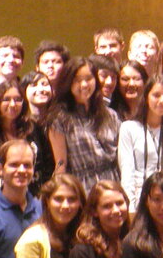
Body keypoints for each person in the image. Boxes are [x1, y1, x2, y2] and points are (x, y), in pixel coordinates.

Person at [49, 56, 121, 190]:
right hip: (83, 187)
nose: (84, 85)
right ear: (68, 83)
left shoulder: (111, 115)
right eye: (77, 80)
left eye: (88, 79)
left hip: (114, 183)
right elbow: (61, 163)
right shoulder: (59, 119)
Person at [118, 75, 163, 209]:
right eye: (156, 95)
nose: (162, 100)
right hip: (139, 199)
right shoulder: (129, 128)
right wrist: (130, 208)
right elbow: (127, 171)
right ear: (146, 97)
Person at [20, 70, 57, 184]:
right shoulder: (20, 125)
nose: (41, 89)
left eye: (45, 84)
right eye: (34, 85)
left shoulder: (58, 122)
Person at [111, 60, 149, 124]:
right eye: (125, 79)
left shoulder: (152, 112)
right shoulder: (111, 114)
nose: (131, 84)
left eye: (136, 79)